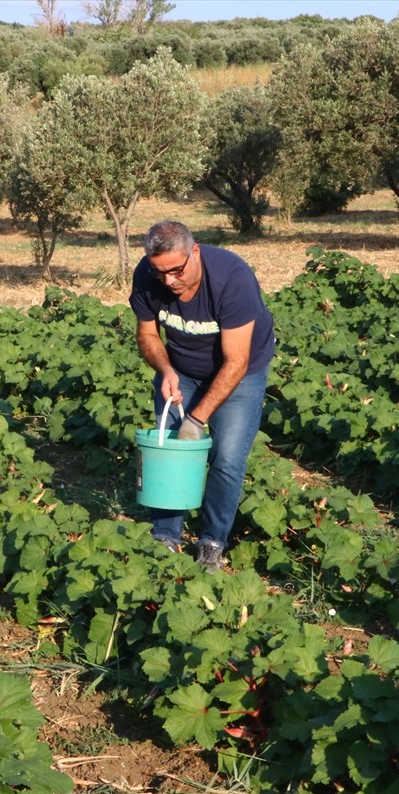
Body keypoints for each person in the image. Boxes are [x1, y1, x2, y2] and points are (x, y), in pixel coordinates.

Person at [128, 220, 275, 572]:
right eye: (160, 272)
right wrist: (166, 371)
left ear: (195, 252)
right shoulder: (148, 275)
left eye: (176, 271)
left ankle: (212, 540)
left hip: (240, 372)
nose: (169, 281)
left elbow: (236, 362)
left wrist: (196, 420)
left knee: (226, 457)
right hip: (181, 369)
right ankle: (166, 535)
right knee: (169, 450)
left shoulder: (231, 278)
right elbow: (147, 335)